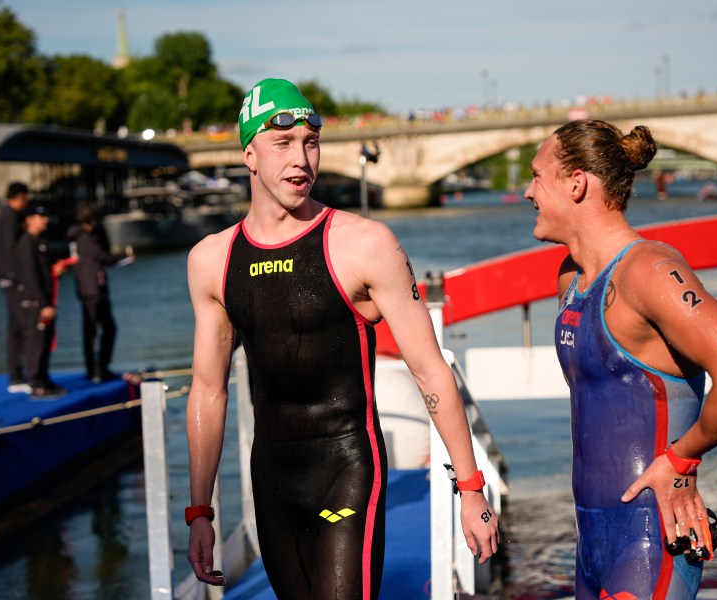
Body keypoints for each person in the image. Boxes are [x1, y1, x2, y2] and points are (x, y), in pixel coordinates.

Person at [185, 78, 500, 598]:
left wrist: (470, 489)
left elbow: (428, 368)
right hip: (273, 475)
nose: (301, 159)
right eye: (283, 144)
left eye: (311, 143)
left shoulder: (364, 244)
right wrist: (200, 511)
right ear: (249, 155)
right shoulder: (211, 261)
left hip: (347, 464)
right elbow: (207, 390)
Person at [523, 119, 717, 599]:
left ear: (577, 183)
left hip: (651, 540)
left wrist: (681, 460)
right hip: (590, 540)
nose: (527, 191)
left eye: (537, 176)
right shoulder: (571, 277)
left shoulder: (652, 272)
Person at [66, 202, 130, 383]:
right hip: (90, 288)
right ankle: (95, 369)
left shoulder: (86, 235)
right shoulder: (83, 237)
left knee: (104, 328)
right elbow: (102, 256)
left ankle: (100, 367)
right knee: (94, 330)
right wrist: (124, 256)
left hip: (94, 286)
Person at [14, 203, 66, 399]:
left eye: (45, 217)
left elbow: (44, 272)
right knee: (36, 341)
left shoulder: (40, 242)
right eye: (39, 216)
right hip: (35, 303)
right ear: (29, 220)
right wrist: (43, 304)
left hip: (46, 299)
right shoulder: (26, 244)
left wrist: (57, 270)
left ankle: (44, 378)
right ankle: (35, 383)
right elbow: (30, 277)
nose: (45, 220)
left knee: (45, 341)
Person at [0, 182, 30, 393]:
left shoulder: (6, 215)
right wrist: (21, 278)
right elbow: (10, 250)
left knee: (15, 327)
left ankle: (17, 376)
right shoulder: (11, 217)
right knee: (23, 326)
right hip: (11, 278)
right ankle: (19, 376)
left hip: (7, 276)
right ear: (20, 196)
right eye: (26, 197)